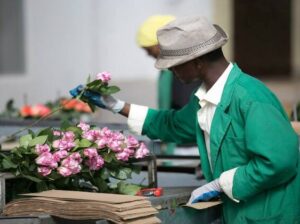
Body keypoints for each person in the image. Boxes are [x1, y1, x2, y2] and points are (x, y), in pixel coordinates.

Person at [70, 16, 300, 223]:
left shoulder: (250, 97)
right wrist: (116, 105)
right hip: (241, 213)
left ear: (197, 62)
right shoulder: (205, 99)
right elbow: (172, 125)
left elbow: (278, 163)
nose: (170, 72)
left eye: (174, 66)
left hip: (271, 214)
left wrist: (221, 183)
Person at [136, 15, 201, 155]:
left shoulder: (185, 70)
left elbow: (185, 112)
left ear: (160, 44)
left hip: (190, 148)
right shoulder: (168, 71)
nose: (149, 55)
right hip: (177, 143)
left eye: (149, 49)